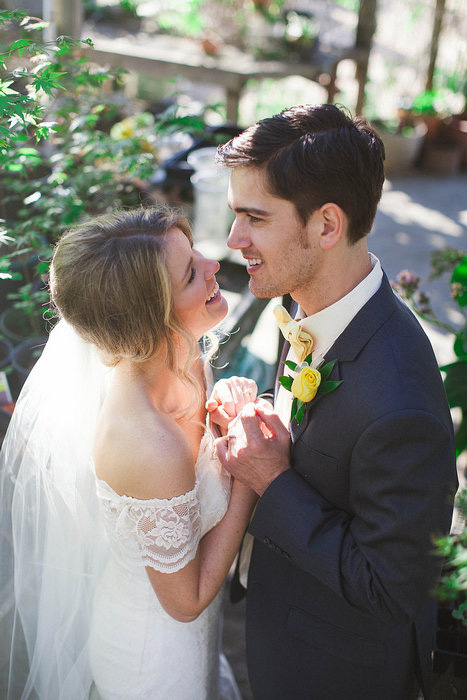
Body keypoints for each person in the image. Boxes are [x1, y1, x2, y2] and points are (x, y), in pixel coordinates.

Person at [208, 104, 458, 699]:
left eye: (254, 218)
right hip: (281, 622)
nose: (234, 240)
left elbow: (393, 588)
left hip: (337, 671)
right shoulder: (308, 301)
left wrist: (272, 481)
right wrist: (255, 417)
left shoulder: (399, 400)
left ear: (326, 226)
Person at [0, 206, 260, 700]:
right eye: (190, 274)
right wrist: (248, 472)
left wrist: (225, 411)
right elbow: (184, 603)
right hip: (155, 658)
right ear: (150, 318)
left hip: (196, 632)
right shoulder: (146, 443)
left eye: (196, 253)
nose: (213, 267)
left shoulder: (183, 358)